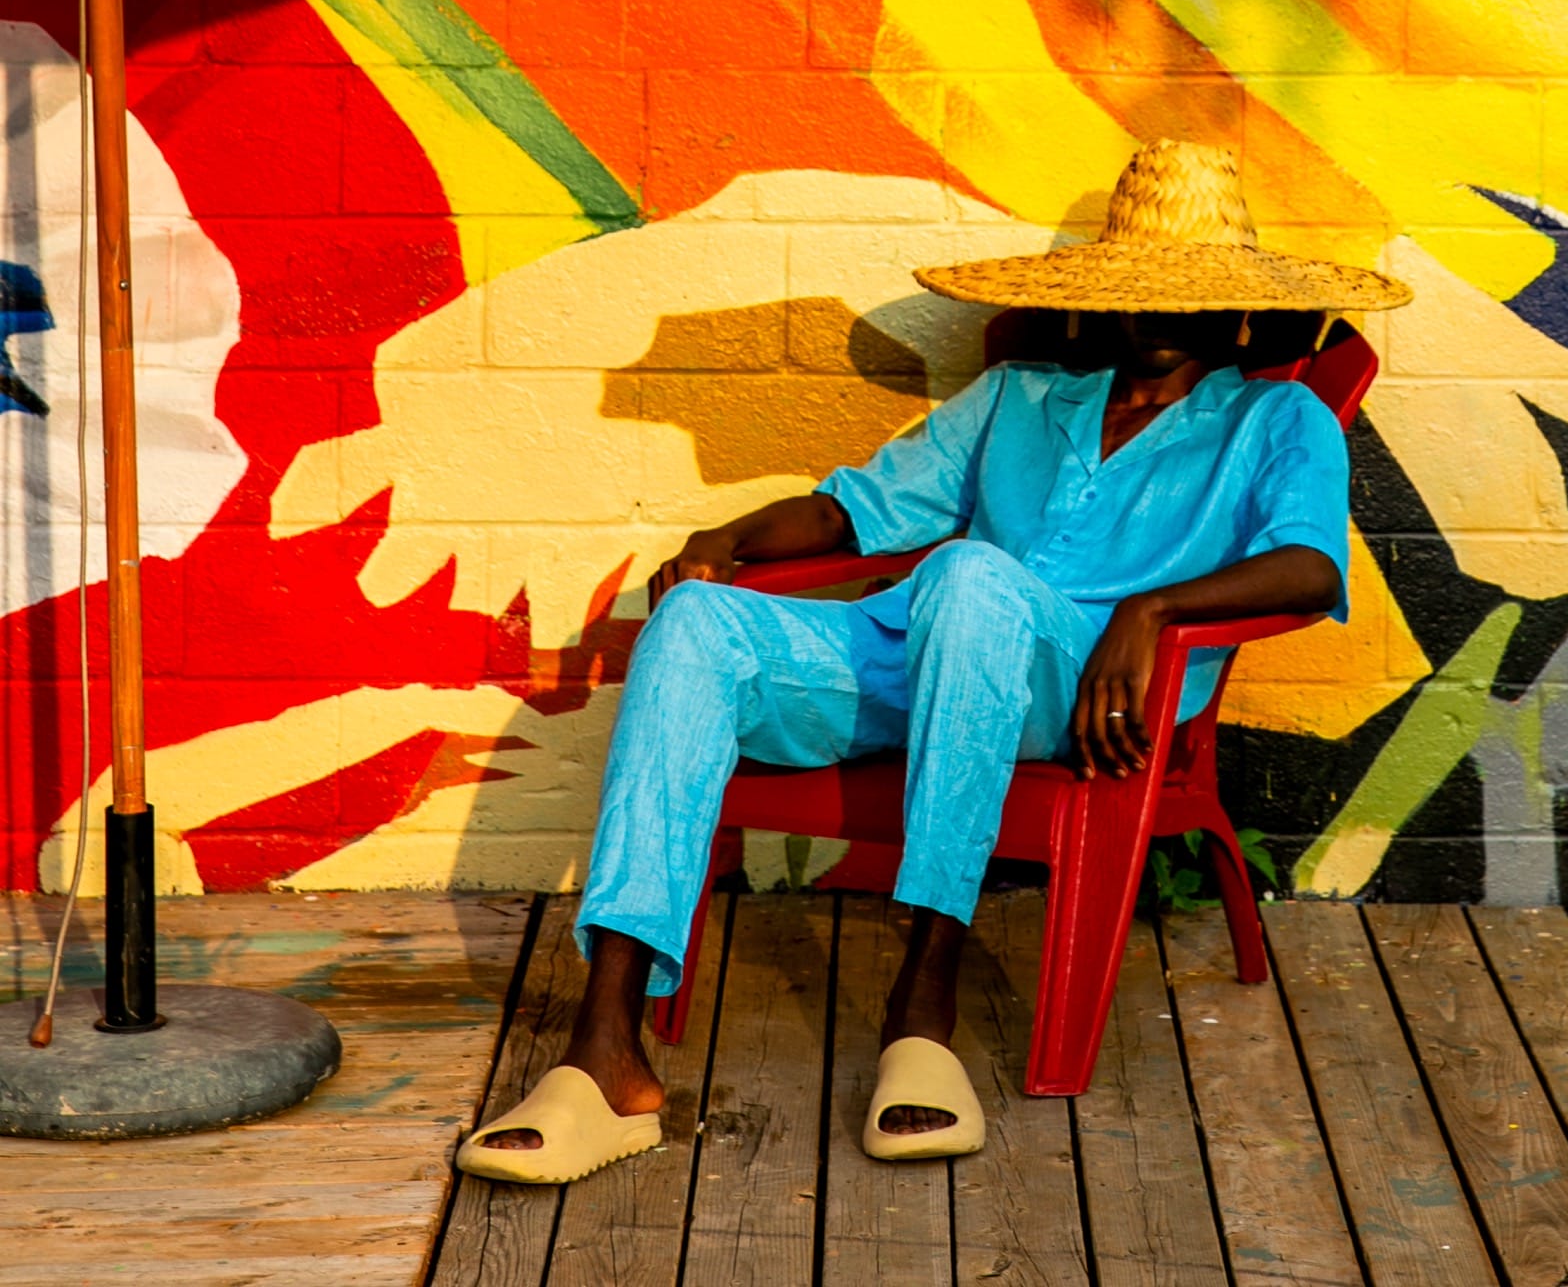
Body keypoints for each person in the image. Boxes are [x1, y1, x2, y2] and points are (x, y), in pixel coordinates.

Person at [455, 140, 1405, 1178]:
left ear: (1236, 313)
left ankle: (922, 1006)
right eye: (1140, 289)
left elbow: (1308, 568)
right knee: (696, 625)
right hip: (913, 657)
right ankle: (605, 1053)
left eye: (1190, 294)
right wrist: (729, 542)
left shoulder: (1277, 417)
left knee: (972, 576)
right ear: (1099, 299)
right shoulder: (1019, 399)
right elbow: (852, 508)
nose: (1160, 313)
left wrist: (1149, 607)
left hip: (1082, 692)